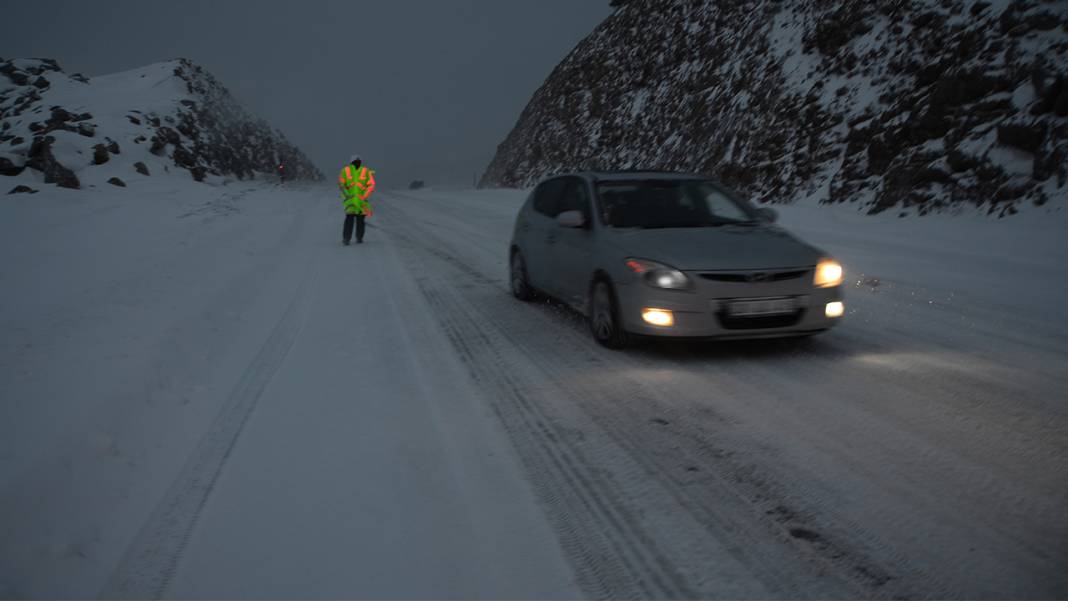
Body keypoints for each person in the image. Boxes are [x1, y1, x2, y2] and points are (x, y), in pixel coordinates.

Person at [338, 154, 376, 245]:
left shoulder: (366, 171)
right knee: (351, 221)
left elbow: (371, 185)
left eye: (358, 162)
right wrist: (347, 195)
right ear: (352, 162)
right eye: (355, 162)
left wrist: (365, 195)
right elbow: (341, 185)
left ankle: (357, 238)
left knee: (359, 221)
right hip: (351, 201)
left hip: (360, 202)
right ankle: (348, 238)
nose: (357, 163)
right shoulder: (345, 171)